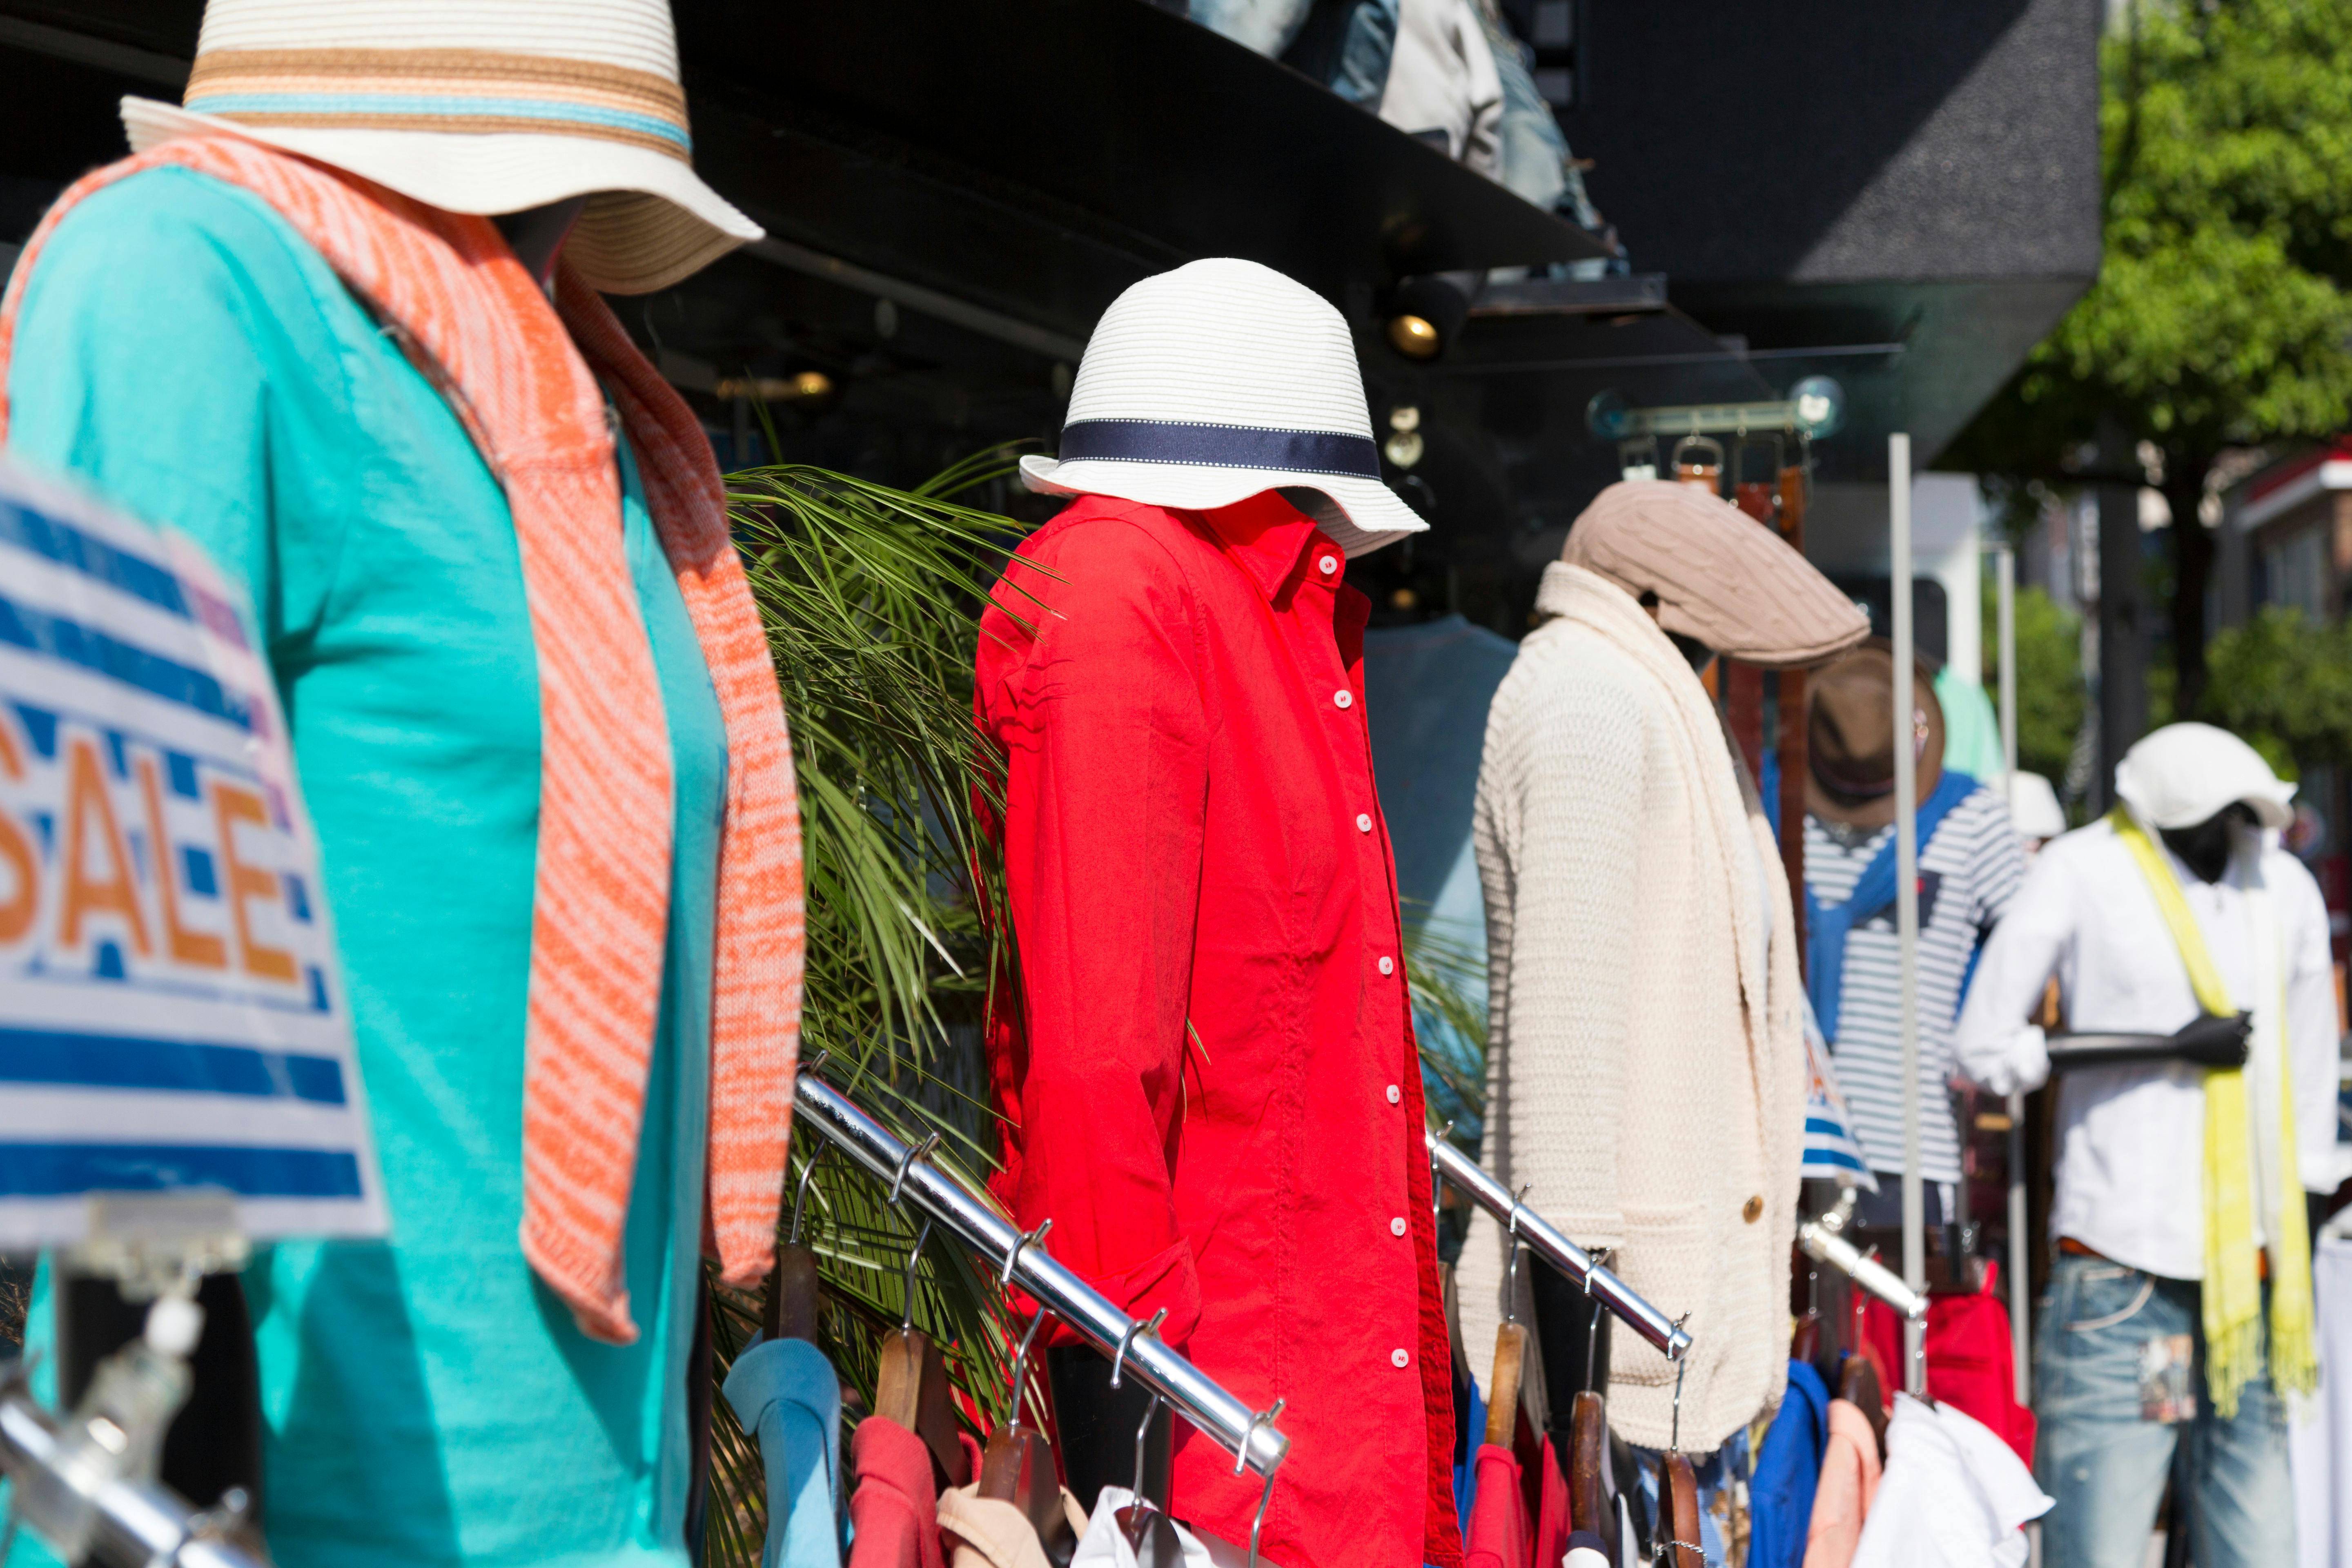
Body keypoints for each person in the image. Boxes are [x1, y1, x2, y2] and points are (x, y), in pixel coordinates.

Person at [0, 2, 804, 1564]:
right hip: (303, 1514)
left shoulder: (584, 410)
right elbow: (121, 962)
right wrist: (152, 1528)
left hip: (605, 1514)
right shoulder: (193, 284)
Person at [974, 258, 1461, 1567]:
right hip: (1218, 1456)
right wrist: (1131, 1451)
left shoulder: (1257, 614)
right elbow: (1091, 1066)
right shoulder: (1126, 602)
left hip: (1286, 1424)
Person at [1458, 480, 1868, 1559]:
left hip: (1659, 1333)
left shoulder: (1634, 693)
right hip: (1623, 1350)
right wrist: (1579, 1384)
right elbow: (1564, 1046)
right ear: (1655, 598)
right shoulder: (1589, 701)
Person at [1955, 723, 2336, 1568]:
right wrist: (2160, 1045)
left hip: (2253, 1290)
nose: (2226, 841)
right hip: (2127, 1284)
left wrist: (2302, 1227)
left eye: (2240, 820)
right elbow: (1982, 1044)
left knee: (2259, 1549)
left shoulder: (2283, 886)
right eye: (2206, 824)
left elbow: (2309, 1089)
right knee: (2106, 1548)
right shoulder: (2085, 869)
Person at [1803, 641, 2026, 1242]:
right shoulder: (1975, 816)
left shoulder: (1972, 818)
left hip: (1897, 1143)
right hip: (1808, 1143)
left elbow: (2028, 954)